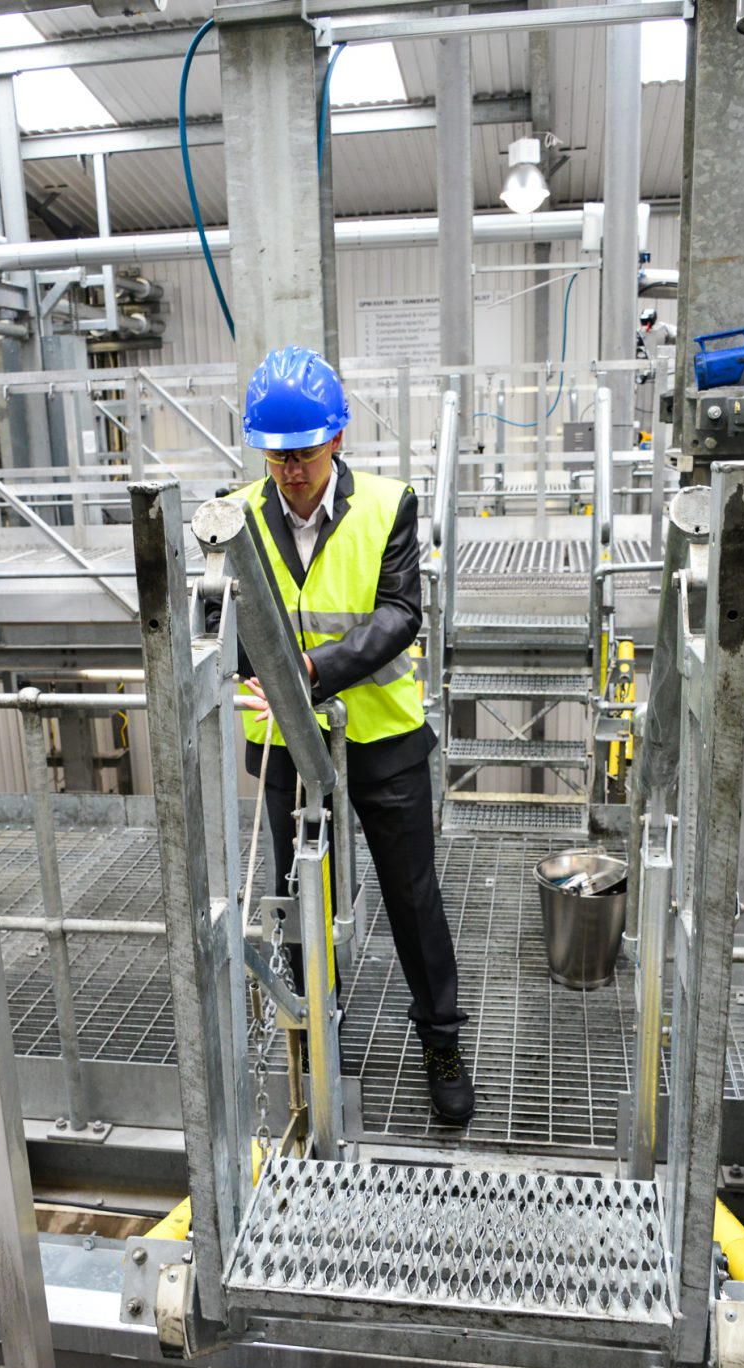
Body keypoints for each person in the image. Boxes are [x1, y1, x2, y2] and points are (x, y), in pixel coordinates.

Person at [233, 345, 474, 1125]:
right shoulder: (237, 517)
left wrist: (305, 671)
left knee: (412, 899)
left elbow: (400, 615)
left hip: (382, 743)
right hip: (287, 752)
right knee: (303, 896)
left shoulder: (386, 505)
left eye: (302, 454)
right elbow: (229, 625)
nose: (289, 472)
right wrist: (253, 670)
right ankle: (312, 1036)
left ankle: (440, 1040)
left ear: (335, 439)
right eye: (275, 456)